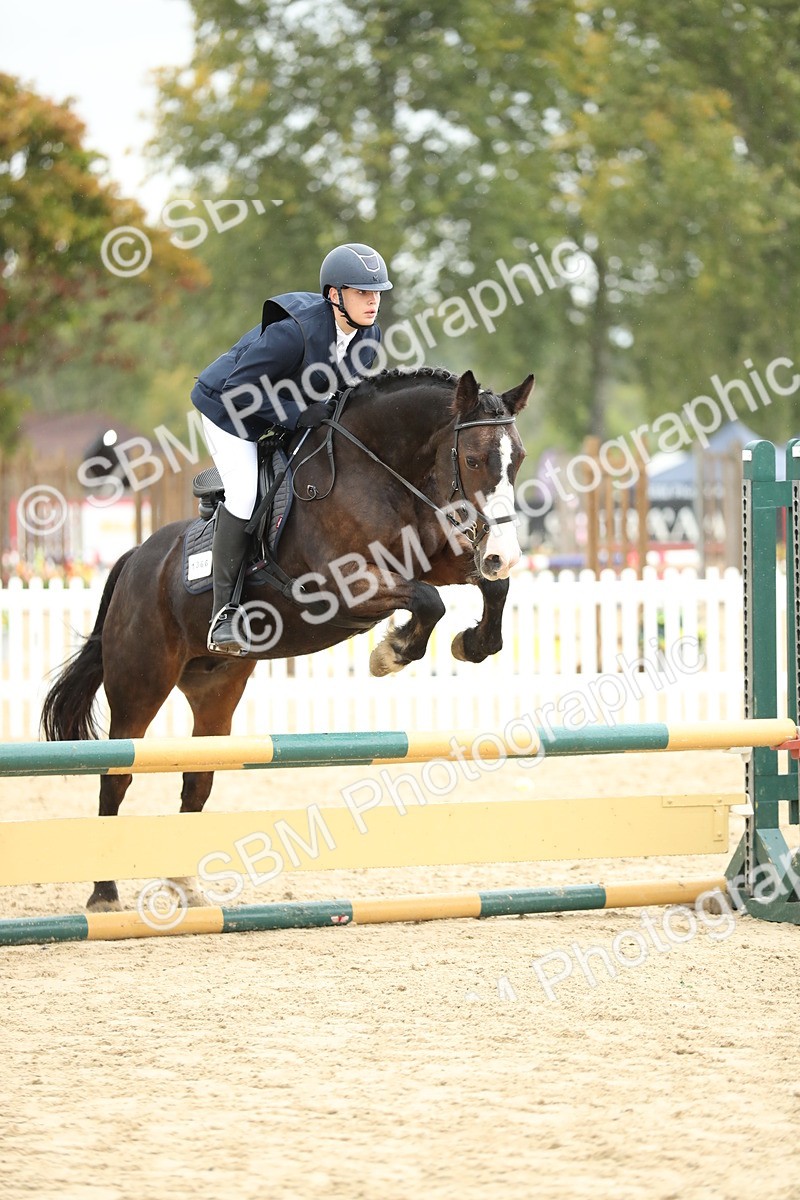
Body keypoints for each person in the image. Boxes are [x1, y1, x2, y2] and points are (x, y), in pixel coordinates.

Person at [191, 242, 393, 656]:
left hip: (276, 409)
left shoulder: (367, 336)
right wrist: (296, 414)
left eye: (376, 293)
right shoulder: (293, 332)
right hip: (227, 410)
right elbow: (238, 391)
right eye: (362, 293)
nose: (372, 302)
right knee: (246, 495)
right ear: (334, 295)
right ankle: (224, 615)